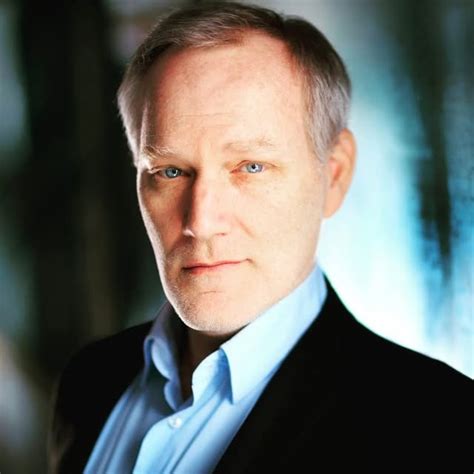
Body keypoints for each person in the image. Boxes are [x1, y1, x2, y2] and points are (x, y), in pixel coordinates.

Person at [48, 2, 472, 473]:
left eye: (251, 167)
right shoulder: (90, 381)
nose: (201, 221)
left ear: (333, 175)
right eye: (170, 171)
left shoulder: (438, 428)